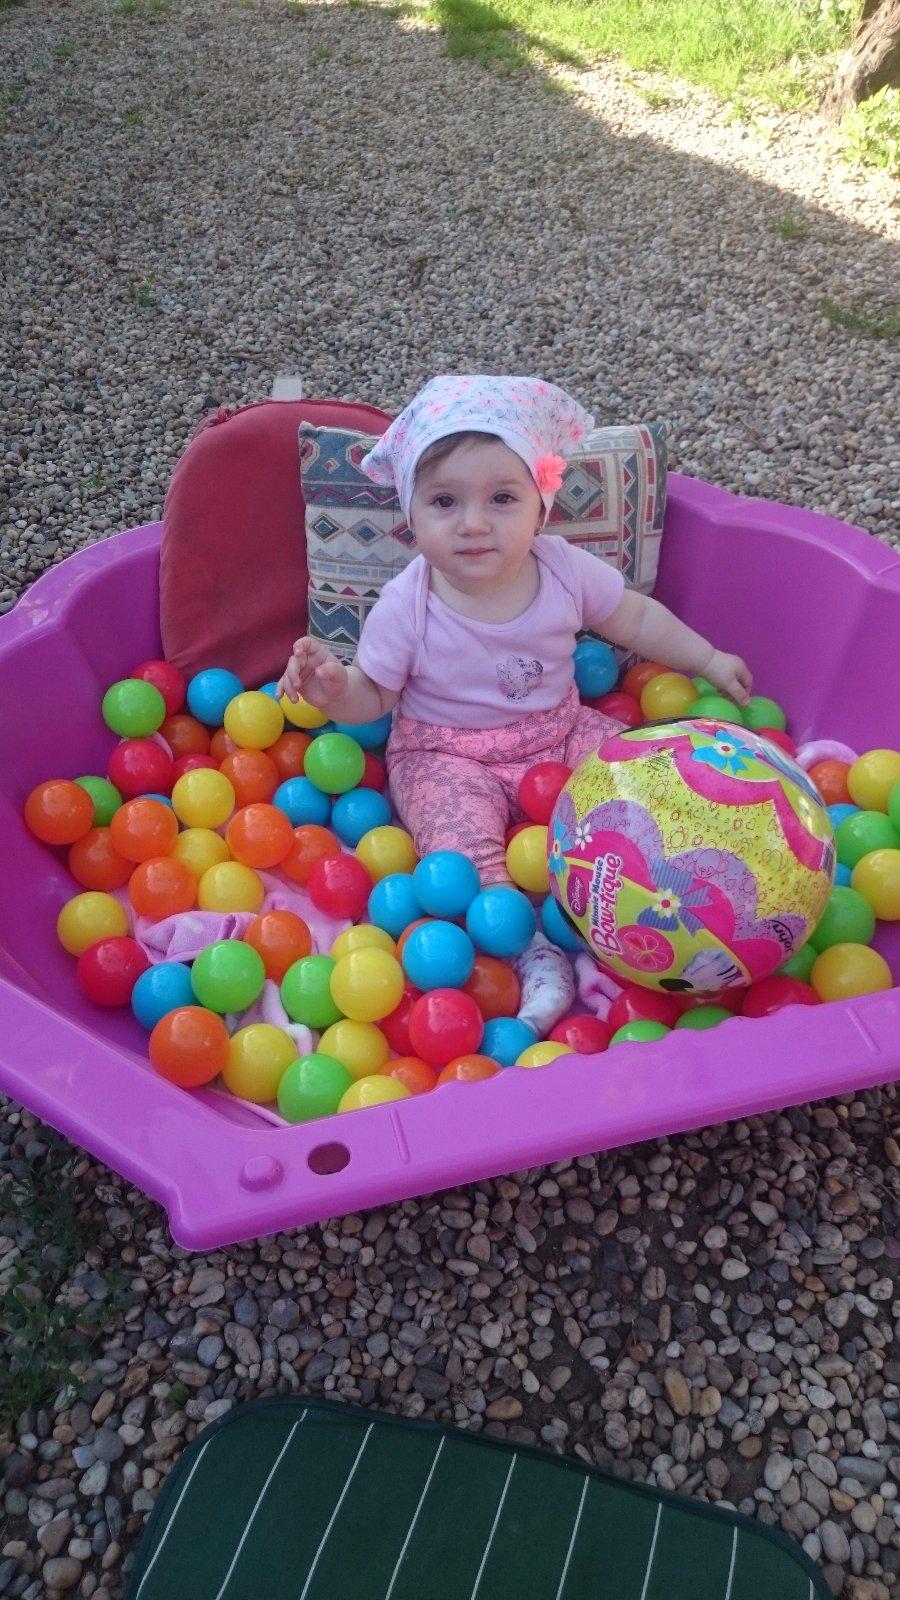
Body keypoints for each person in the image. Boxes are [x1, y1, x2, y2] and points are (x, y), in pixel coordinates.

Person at [278, 373, 752, 889]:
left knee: (649, 782)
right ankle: (513, 927)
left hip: (562, 733)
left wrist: (707, 660)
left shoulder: (564, 570)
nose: (474, 523)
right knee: (460, 857)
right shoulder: (405, 606)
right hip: (446, 757)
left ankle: (668, 881)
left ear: (540, 508)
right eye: (444, 502)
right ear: (410, 514)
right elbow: (373, 695)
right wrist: (336, 691)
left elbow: (635, 617)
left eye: (502, 498)